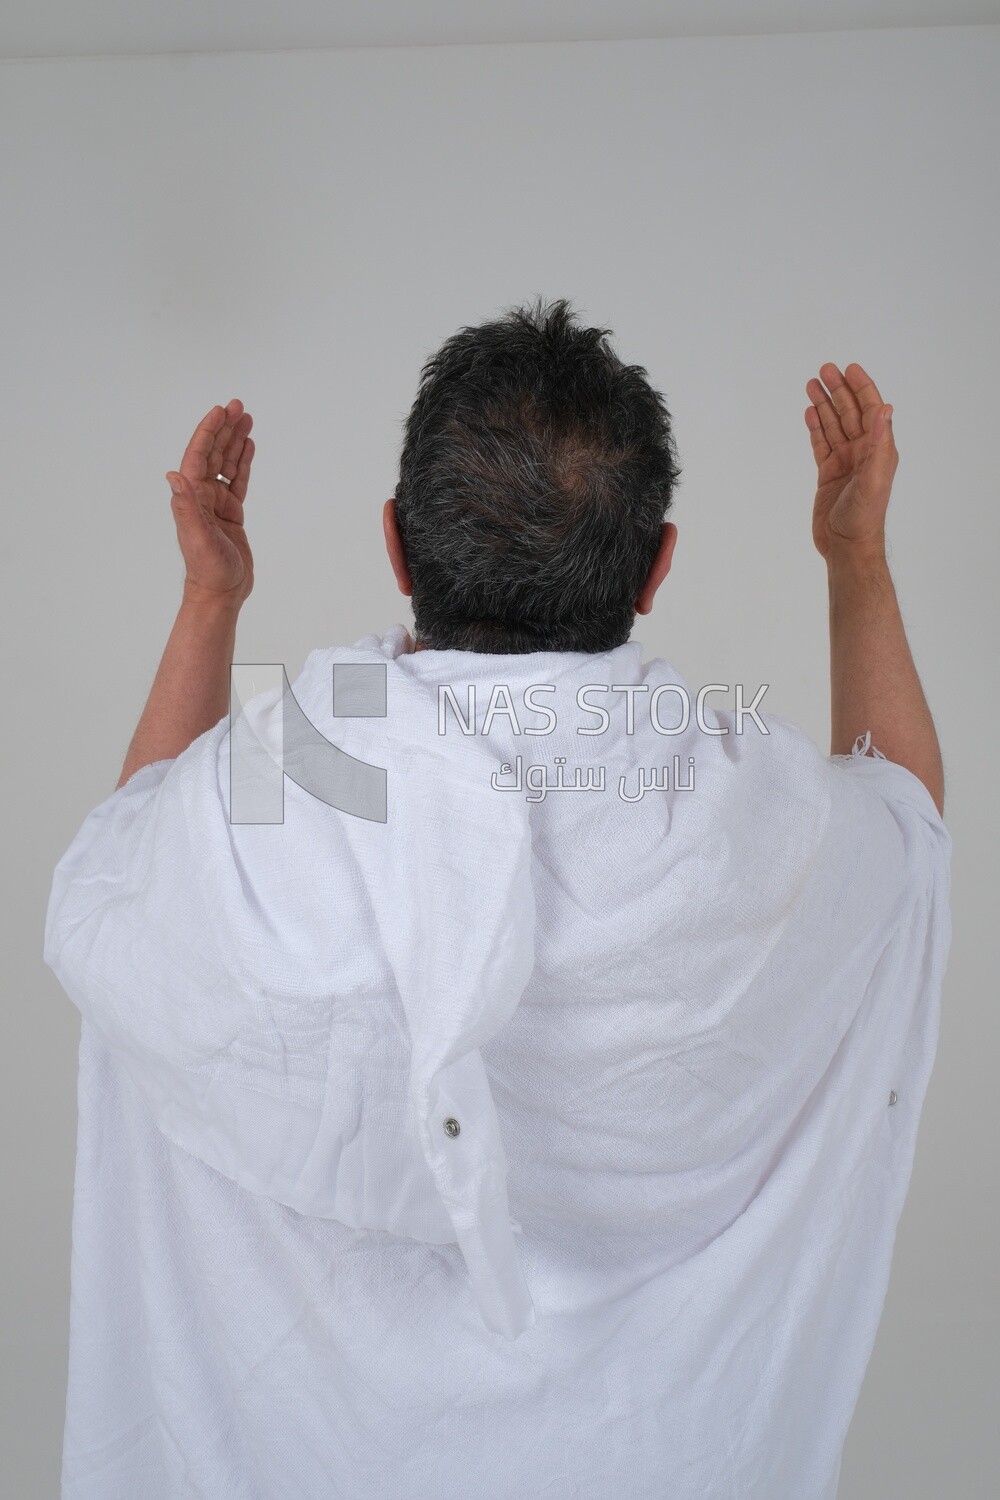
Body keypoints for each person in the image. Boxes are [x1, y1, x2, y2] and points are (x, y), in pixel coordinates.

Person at [43, 299, 950, 1500]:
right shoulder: (748, 815)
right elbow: (903, 831)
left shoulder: (290, 773)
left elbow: (124, 877)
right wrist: (856, 560)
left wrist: (211, 598)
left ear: (397, 550)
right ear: (656, 567)